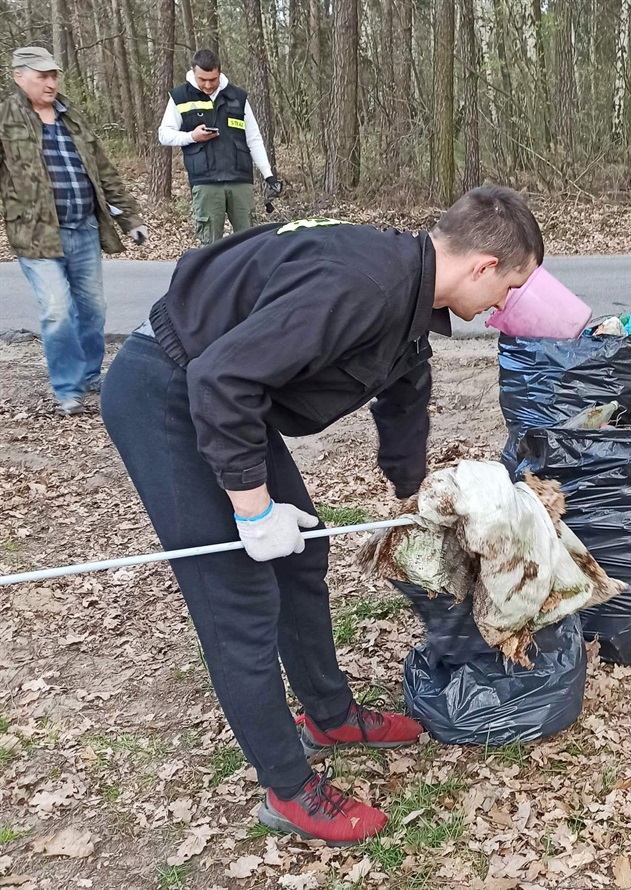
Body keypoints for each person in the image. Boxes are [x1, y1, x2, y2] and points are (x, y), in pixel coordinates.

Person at [100, 186, 544, 846]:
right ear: (481, 265)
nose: (506, 304)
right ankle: (288, 788)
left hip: (223, 397)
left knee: (302, 554)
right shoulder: (361, 283)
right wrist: (251, 514)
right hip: (171, 391)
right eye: (510, 286)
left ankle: (329, 716)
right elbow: (221, 380)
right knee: (241, 598)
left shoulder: (408, 296)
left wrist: (413, 495)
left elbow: (403, 397)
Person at [0, 47, 147, 415]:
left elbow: (104, 171)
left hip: (83, 229)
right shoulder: (5, 119)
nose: (50, 82)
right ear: (19, 76)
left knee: (92, 309)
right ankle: (68, 389)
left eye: (53, 75)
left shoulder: (72, 118)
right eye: (42, 76)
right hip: (36, 234)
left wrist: (130, 218)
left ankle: (88, 375)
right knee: (56, 310)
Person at [158, 49, 282, 245]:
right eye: (202, 79)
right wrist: (192, 136)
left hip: (239, 178)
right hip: (205, 181)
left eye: (213, 79)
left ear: (220, 72)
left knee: (250, 244)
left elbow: (254, 138)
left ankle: (246, 277)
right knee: (210, 247)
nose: (208, 85)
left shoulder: (238, 97)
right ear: (193, 72)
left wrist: (268, 175)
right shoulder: (180, 96)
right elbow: (164, 135)